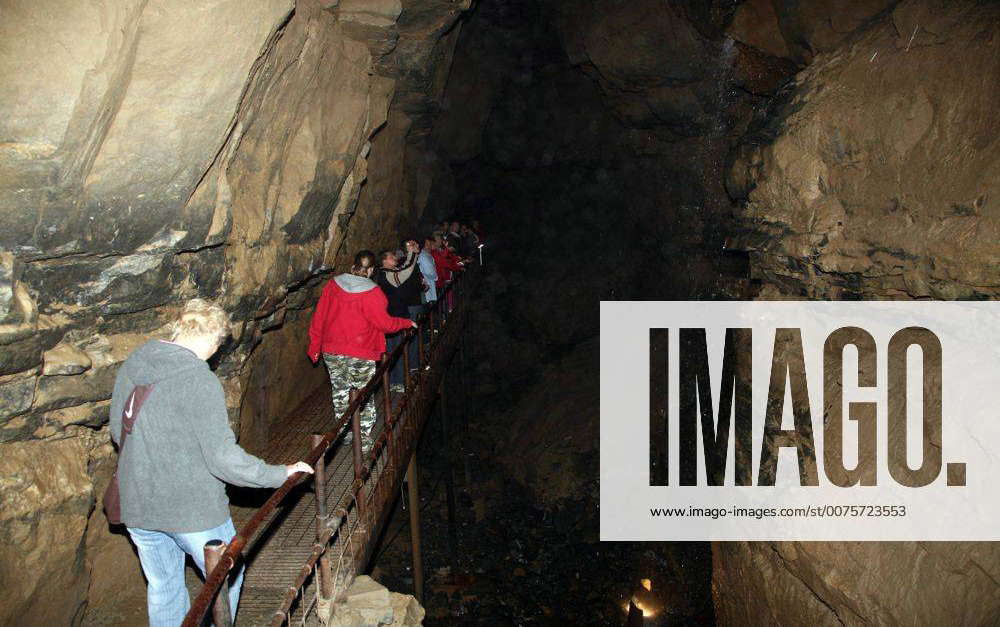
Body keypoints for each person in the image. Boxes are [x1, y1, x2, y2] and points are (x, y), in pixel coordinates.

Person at [109, 299, 313, 627]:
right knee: (224, 576)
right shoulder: (198, 378)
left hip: (139, 501)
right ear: (211, 337)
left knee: (163, 586)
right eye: (219, 344)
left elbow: (119, 432)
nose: (217, 352)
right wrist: (280, 474)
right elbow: (222, 458)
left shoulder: (136, 361)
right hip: (191, 509)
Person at [308, 250, 416, 445]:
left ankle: (345, 432)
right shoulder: (373, 292)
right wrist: (406, 323)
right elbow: (385, 324)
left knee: (340, 392)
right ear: (372, 270)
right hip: (360, 351)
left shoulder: (333, 285)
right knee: (362, 394)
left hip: (332, 350)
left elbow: (319, 317)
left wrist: (315, 347)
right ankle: (363, 439)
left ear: (353, 266)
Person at [375, 244, 422, 388]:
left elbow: (403, 269)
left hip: (394, 316)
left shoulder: (389, 272)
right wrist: (411, 254)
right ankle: (396, 381)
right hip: (394, 318)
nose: (394, 258)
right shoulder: (386, 274)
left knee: (395, 350)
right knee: (397, 351)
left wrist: (411, 255)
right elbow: (406, 270)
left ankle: (395, 380)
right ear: (384, 261)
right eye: (391, 257)